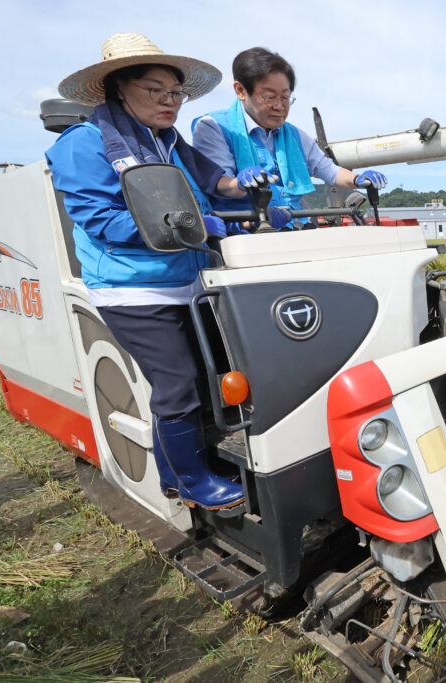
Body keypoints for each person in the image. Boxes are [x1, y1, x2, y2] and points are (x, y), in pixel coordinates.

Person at [45, 33, 265, 510]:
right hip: (132, 288)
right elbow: (102, 220)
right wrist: (191, 226)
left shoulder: (169, 141)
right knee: (178, 381)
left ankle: (177, 470)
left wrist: (250, 192)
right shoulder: (83, 143)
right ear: (117, 88)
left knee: (209, 375)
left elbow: (215, 183)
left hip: (186, 281)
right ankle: (192, 481)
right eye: (155, 89)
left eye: (176, 93)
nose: (170, 102)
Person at [192, 46, 387, 227]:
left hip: (291, 224)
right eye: (269, 97)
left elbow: (327, 169)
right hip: (242, 230)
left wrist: (358, 179)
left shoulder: (293, 135)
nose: (279, 106)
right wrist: (241, 183)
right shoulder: (214, 126)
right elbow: (220, 184)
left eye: (285, 97)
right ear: (241, 91)